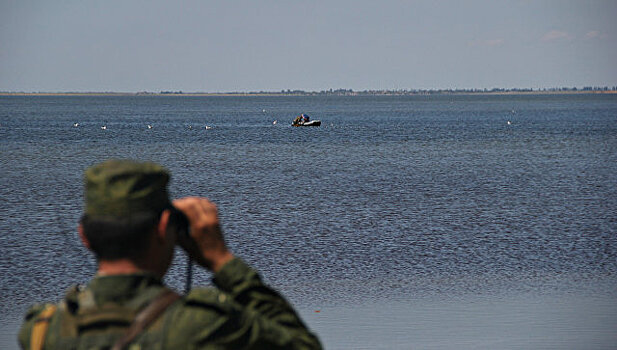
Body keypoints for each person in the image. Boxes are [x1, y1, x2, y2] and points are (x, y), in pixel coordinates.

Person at [18, 159, 322, 349]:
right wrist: (223, 262)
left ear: (83, 235)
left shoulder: (41, 331)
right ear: (166, 227)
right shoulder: (199, 326)